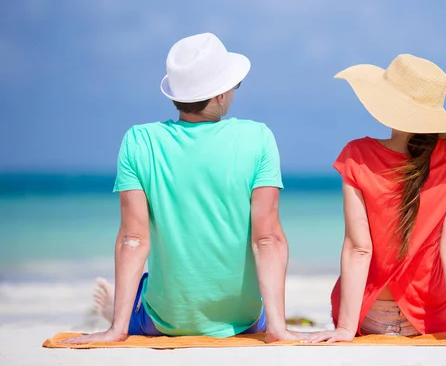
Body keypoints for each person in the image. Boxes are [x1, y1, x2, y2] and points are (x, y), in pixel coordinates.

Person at [64, 33, 302, 344]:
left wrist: (116, 332)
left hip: (166, 321)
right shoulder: (258, 139)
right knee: (260, 307)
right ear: (218, 96)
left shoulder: (140, 141)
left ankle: (121, 316)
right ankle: (127, 310)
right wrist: (278, 330)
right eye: (233, 85)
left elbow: (133, 239)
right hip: (244, 321)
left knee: (147, 292)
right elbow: (267, 238)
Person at [304, 54, 446, 346]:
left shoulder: (357, 155)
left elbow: (359, 249)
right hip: (428, 318)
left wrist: (345, 330)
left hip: (365, 316)